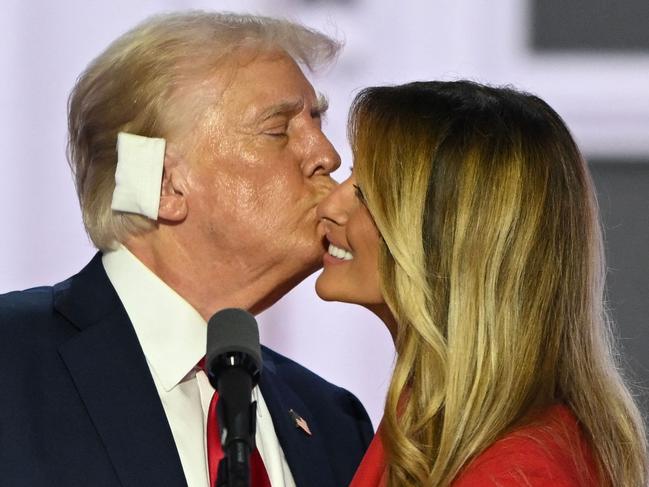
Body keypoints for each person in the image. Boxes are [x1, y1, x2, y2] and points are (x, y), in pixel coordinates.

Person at [0, 12, 373, 487]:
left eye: (317, 121)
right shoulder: (11, 365)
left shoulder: (336, 423)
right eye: (278, 130)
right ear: (164, 186)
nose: (327, 155)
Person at [316, 80, 648, 486]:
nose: (330, 204)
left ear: (449, 237)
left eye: (366, 192)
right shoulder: (429, 420)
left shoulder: (519, 470)